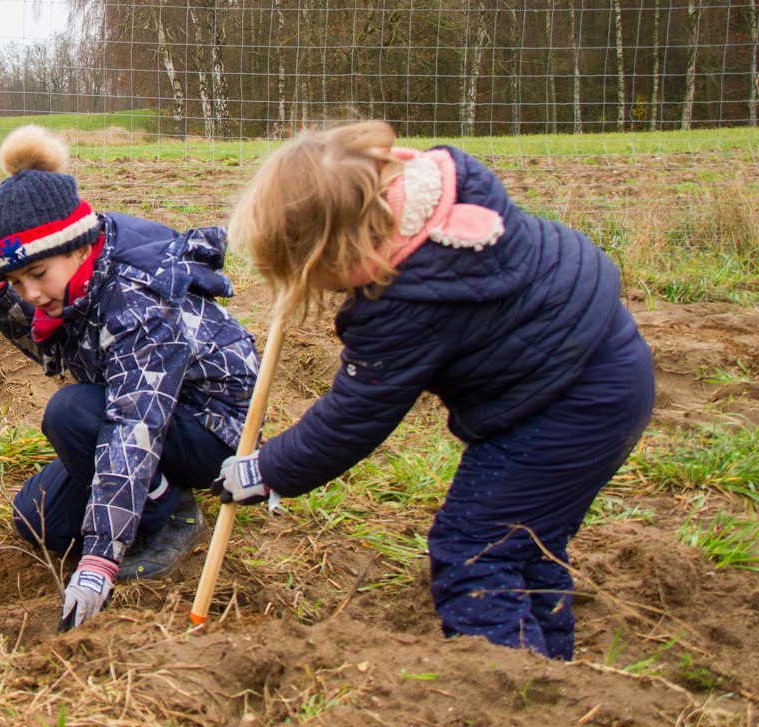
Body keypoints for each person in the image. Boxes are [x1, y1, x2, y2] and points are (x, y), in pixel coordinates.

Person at [221, 121, 655, 661]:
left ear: (332, 251)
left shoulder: (405, 304)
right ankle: (552, 678)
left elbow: (354, 415)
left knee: (474, 550)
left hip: (568, 406)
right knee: (526, 543)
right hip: (607, 363)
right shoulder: (443, 204)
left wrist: (267, 469)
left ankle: (512, 691)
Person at [0, 126, 259, 631]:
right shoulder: (79, 279)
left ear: (75, 247)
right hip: (154, 412)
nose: (29, 293)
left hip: (215, 428)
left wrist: (98, 562)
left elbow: (132, 427)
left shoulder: (137, 301)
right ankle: (149, 497)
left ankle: (172, 515)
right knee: (38, 517)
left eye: (37, 276)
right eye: (15, 282)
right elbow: (58, 345)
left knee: (72, 412)